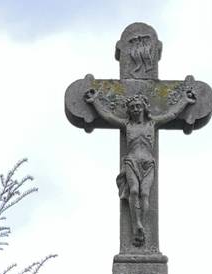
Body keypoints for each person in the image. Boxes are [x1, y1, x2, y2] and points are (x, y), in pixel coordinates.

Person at [84, 85, 196, 247]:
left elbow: (171, 114)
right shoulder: (127, 125)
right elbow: (108, 116)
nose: (136, 109)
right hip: (132, 161)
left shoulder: (152, 124)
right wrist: (95, 102)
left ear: (144, 108)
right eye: (132, 107)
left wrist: (184, 101)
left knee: (144, 193)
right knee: (134, 191)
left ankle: (141, 224)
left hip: (148, 163)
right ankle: (136, 223)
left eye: (138, 106)